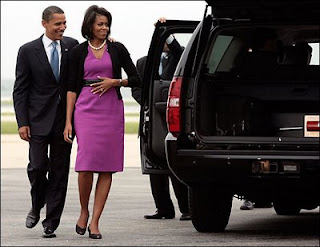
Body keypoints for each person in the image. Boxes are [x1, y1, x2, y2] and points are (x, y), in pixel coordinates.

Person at [63, 5, 141, 239]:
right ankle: (84, 212)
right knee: (85, 164)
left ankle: (95, 221)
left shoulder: (117, 49)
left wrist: (116, 82)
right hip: (85, 110)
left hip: (111, 110)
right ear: (90, 26)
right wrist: (68, 122)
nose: (104, 28)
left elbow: (137, 78)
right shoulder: (77, 52)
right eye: (100, 24)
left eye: (107, 24)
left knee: (107, 167)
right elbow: (70, 89)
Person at [12, 6, 79, 238]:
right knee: (38, 167)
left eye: (64, 23)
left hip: (65, 122)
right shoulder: (27, 50)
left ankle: (51, 222)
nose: (62, 28)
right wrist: (22, 122)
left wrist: (108, 44)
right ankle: (36, 203)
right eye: (57, 24)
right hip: (37, 121)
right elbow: (20, 90)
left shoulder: (73, 46)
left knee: (60, 173)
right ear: (44, 24)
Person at [131, 18, 191, 221]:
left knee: (173, 164)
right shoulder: (143, 62)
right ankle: (163, 209)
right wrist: (147, 103)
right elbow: (136, 88)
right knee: (153, 165)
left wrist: (167, 31)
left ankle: (187, 209)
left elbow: (179, 51)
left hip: (173, 118)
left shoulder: (179, 56)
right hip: (151, 120)